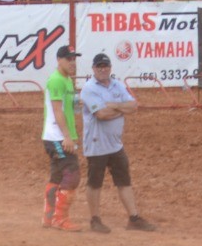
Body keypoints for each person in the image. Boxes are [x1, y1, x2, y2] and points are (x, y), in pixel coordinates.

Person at [79, 53, 155, 232]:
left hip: (115, 144)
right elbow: (102, 115)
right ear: (93, 69)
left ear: (110, 67)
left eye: (105, 66)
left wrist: (112, 105)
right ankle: (95, 219)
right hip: (97, 144)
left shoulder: (116, 84)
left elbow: (134, 106)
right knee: (95, 182)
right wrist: (122, 109)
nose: (103, 69)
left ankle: (134, 218)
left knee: (124, 180)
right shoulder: (89, 89)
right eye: (99, 66)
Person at [41, 45, 83, 231]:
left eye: (74, 58)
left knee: (57, 176)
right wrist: (67, 137)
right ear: (59, 60)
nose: (72, 62)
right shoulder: (57, 80)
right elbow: (57, 111)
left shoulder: (66, 80)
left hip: (58, 137)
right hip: (57, 137)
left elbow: (68, 109)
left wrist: (72, 135)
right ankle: (60, 218)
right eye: (69, 59)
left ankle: (49, 217)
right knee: (72, 174)